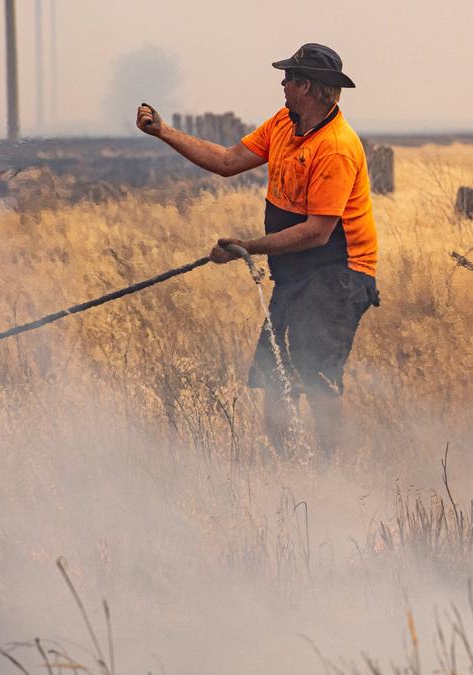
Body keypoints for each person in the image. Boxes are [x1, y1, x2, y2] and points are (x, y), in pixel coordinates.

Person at [136, 43, 379, 455]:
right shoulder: (285, 123)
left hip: (339, 274)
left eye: (289, 78)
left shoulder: (336, 146)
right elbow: (229, 161)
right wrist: (163, 132)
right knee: (277, 378)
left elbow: (318, 233)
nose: (282, 84)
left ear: (309, 87)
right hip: (295, 271)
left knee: (317, 380)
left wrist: (246, 247)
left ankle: (325, 477)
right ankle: (288, 470)